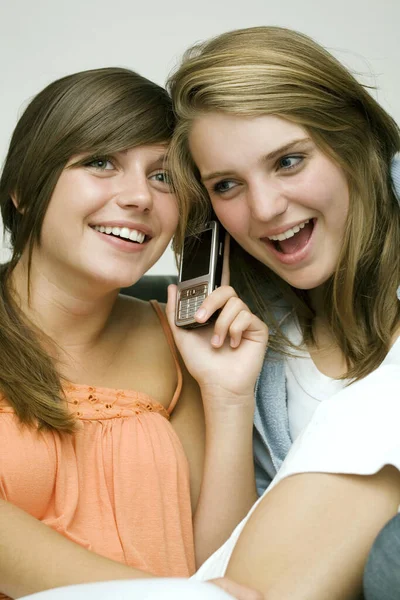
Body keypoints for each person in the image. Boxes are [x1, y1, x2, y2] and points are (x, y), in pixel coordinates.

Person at [0, 67, 267, 600]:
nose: (139, 197)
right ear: (24, 190)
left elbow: (216, 561)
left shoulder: (176, 342)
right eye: (101, 162)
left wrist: (228, 396)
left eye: (163, 176)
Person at [166, 26, 400, 598]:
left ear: (353, 140)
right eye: (227, 185)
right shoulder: (263, 340)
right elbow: (228, 563)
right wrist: (227, 396)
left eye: (289, 161)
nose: (266, 209)